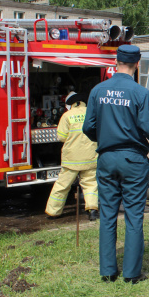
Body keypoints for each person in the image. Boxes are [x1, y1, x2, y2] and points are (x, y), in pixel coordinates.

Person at [83, 44, 149, 285]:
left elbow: (88, 127)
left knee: (107, 215)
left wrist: (105, 139)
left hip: (106, 158)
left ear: (116, 63)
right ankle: (131, 274)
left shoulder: (98, 90)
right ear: (137, 65)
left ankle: (107, 271)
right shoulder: (140, 92)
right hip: (132, 159)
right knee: (134, 216)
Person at [45, 92, 99, 221]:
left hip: (72, 159)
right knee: (91, 184)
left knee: (62, 185)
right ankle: (92, 210)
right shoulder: (93, 113)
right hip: (91, 157)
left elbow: (61, 137)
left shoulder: (67, 115)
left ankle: (53, 212)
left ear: (71, 104)